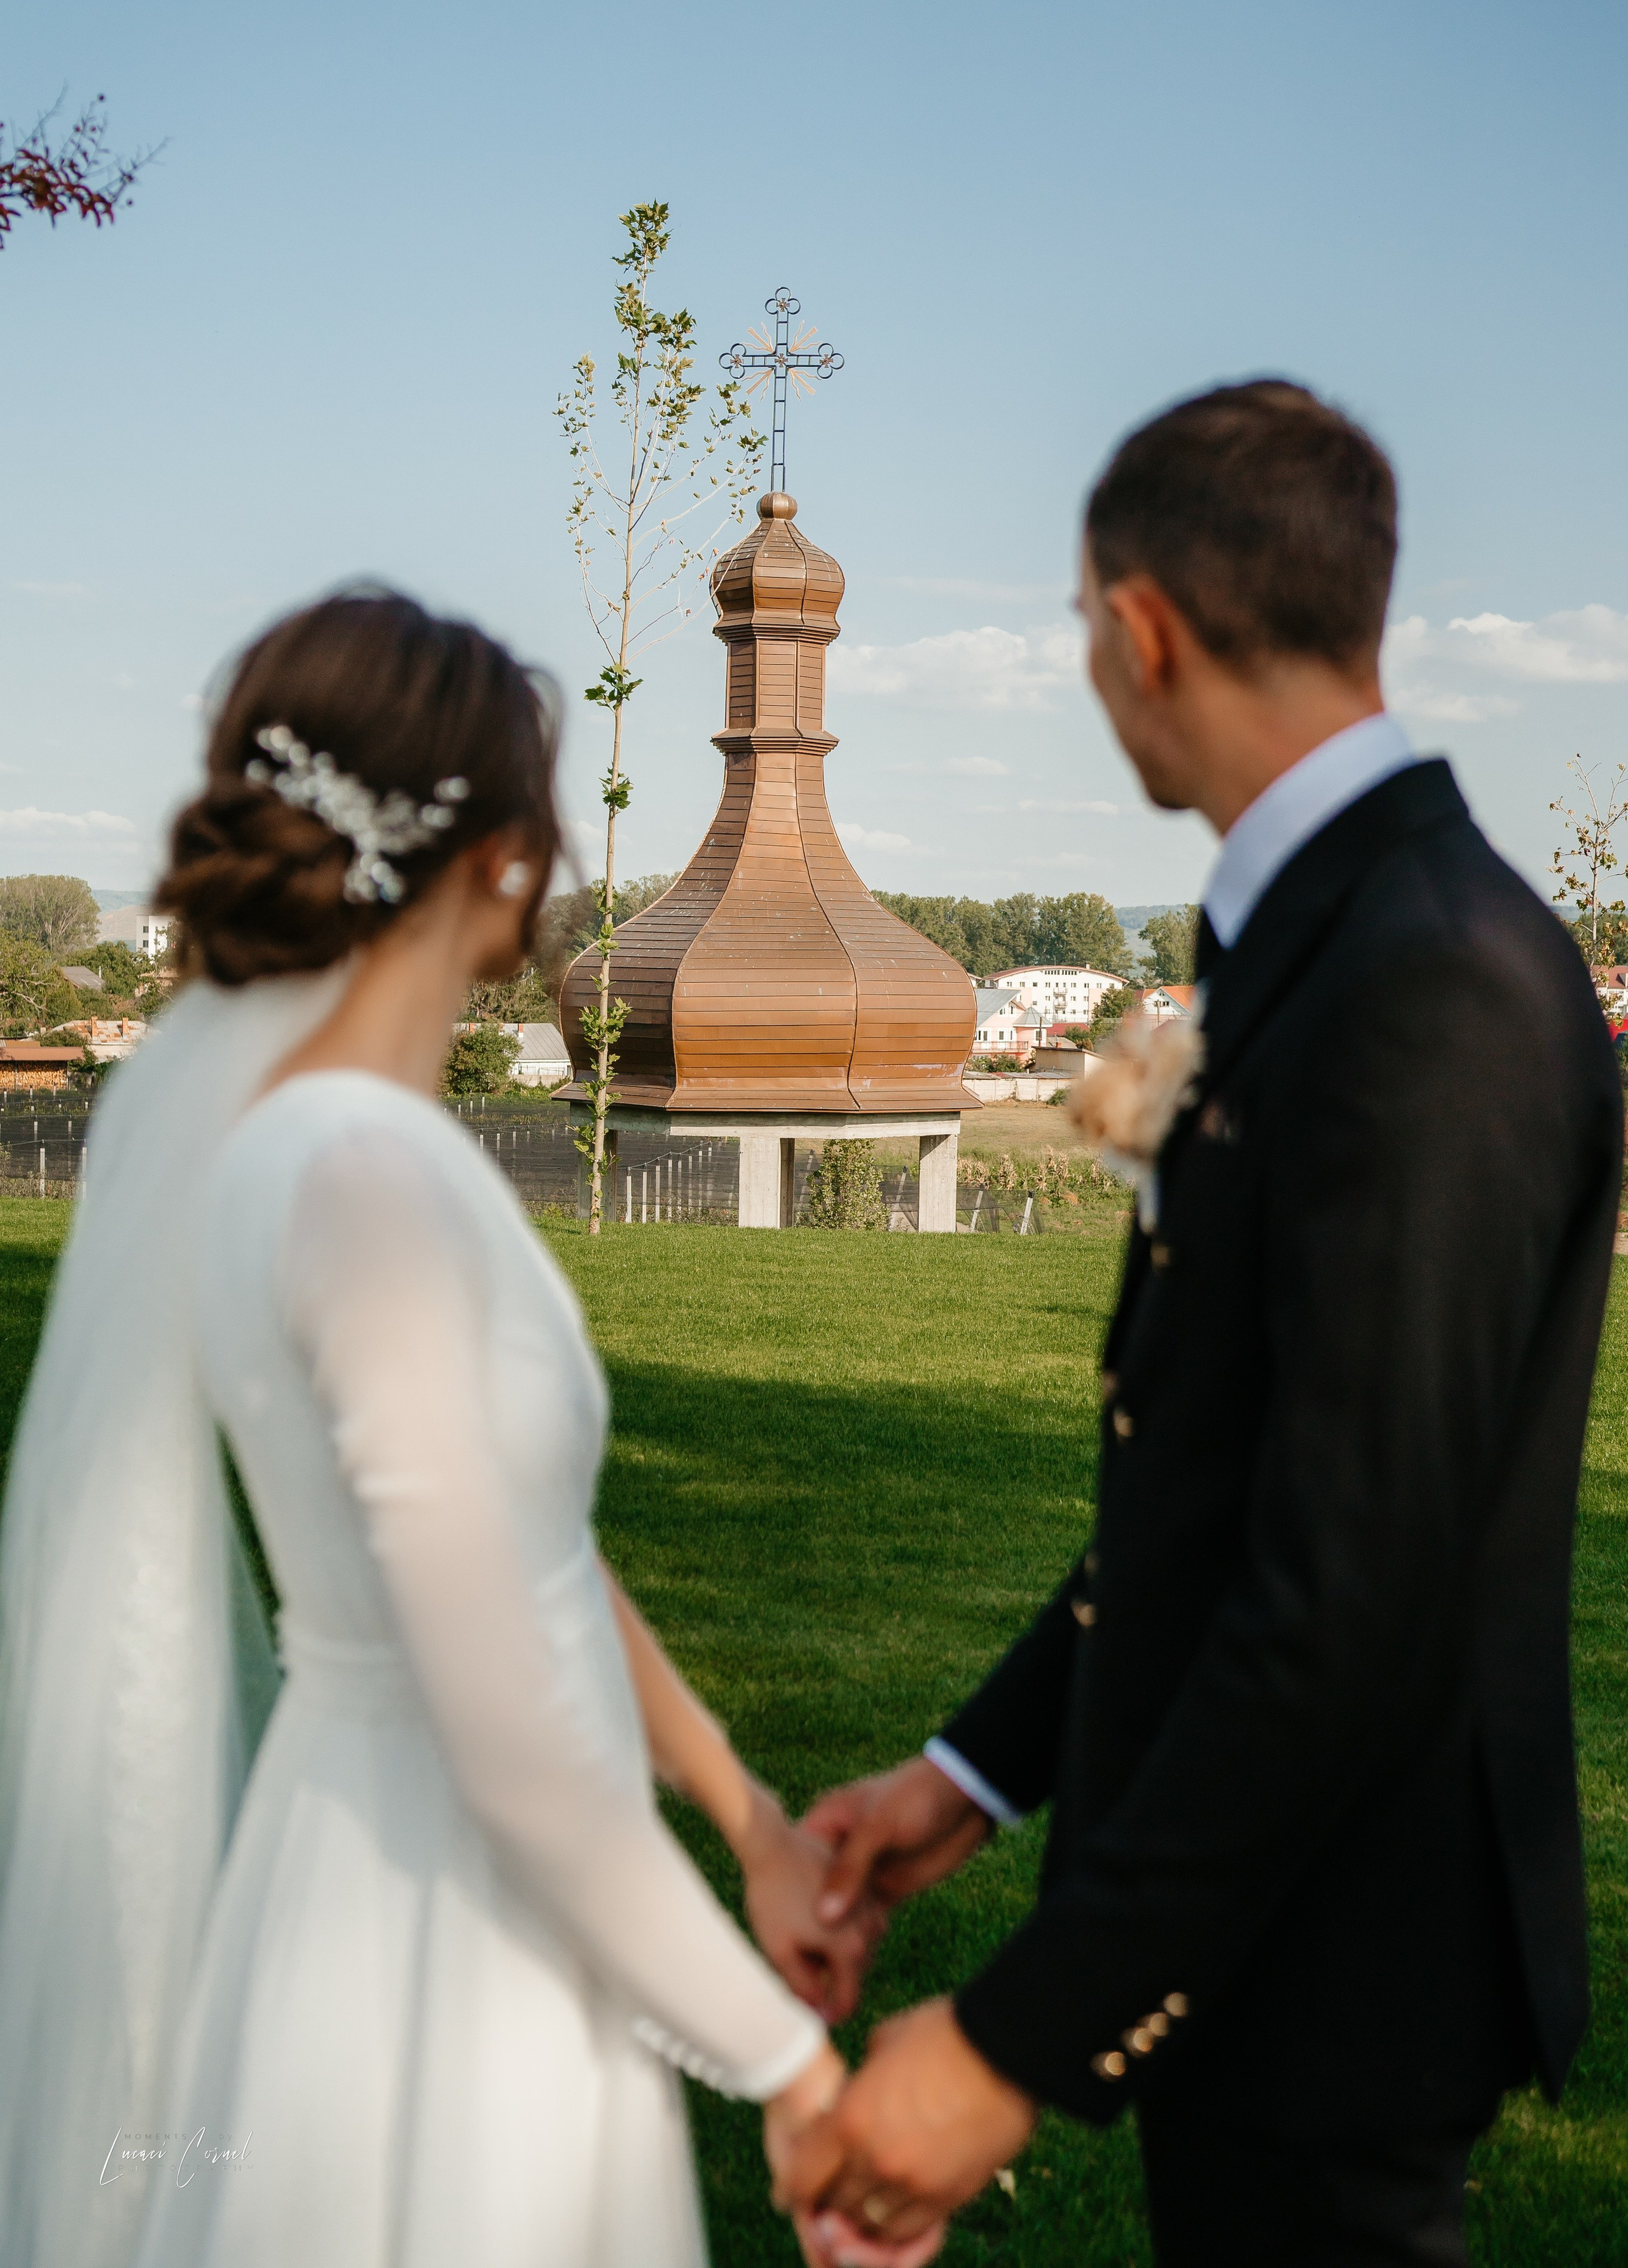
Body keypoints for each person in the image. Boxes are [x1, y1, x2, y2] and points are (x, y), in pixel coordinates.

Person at [781, 381, 1622, 2267]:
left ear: (1143, 625)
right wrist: (974, 1777)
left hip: (1345, 1946)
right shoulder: (1328, 934)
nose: (1092, 664)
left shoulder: (1431, 980)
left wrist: (1008, 2044)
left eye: (1086, 626)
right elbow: (1214, 1477)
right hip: (1269, 1934)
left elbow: (1348, 1598)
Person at [0, 588, 897, 2268]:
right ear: (494, 855)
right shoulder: (362, 1183)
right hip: (432, 1910)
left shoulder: (301, 1149)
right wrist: (785, 2067)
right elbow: (509, 1733)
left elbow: (519, 1553)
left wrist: (743, 1810)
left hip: (381, 1853)